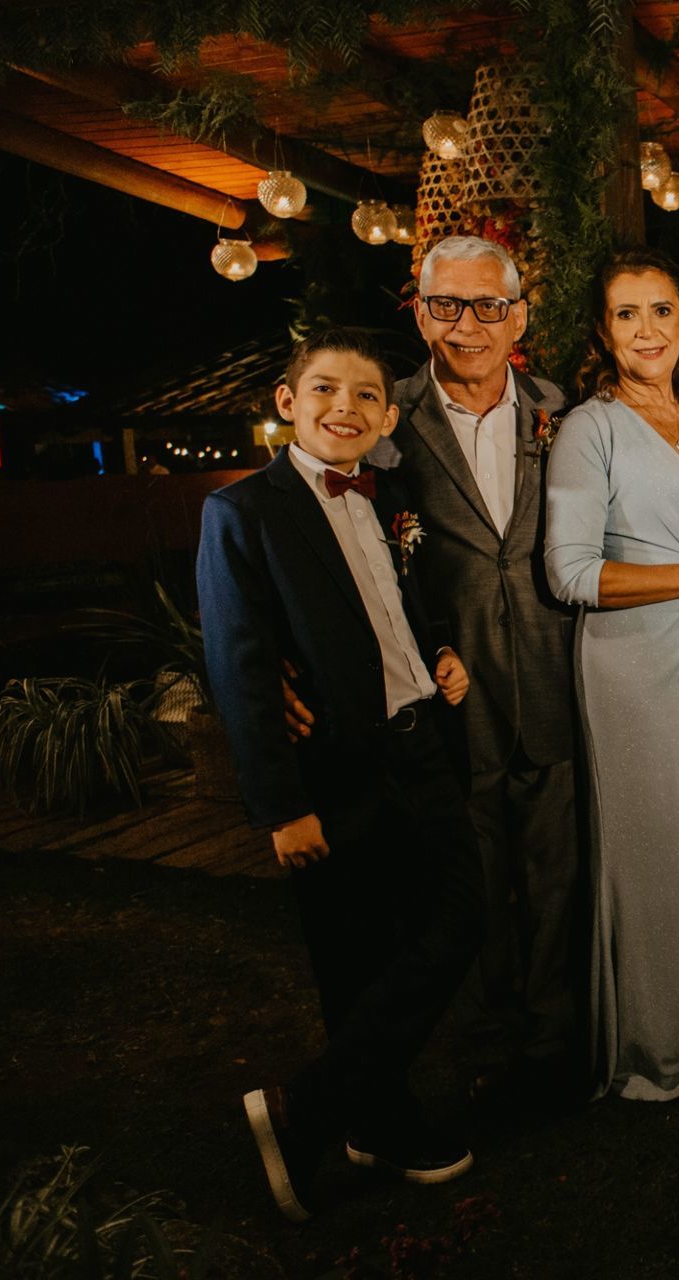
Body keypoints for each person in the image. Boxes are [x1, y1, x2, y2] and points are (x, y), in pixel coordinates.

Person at [198, 329, 485, 1222]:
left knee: (456, 918)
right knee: (356, 955)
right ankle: (378, 1120)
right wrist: (281, 807)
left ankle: (307, 1107)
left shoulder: (388, 494)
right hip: (335, 771)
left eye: (366, 396)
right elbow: (242, 663)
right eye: (325, 390)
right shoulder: (243, 512)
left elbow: (409, 608)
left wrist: (441, 653)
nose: (344, 408)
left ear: (389, 416)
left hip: (420, 747)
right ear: (288, 402)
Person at [352, 235, 578, 1110]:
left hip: (556, 669)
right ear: (420, 310)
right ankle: (491, 1037)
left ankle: (558, 1035)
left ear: (519, 315)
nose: (469, 324)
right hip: (454, 681)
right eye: (447, 305)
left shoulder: (564, 410)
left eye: (490, 305)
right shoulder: (385, 418)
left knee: (558, 867)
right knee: (470, 868)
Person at [544, 248, 679, 1102]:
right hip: (637, 669)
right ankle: (658, 1055)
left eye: (661, 310)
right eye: (627, 314)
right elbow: (568, 574)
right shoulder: (587, 428)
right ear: (605, 330)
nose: (647, 330)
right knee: (659, 854)